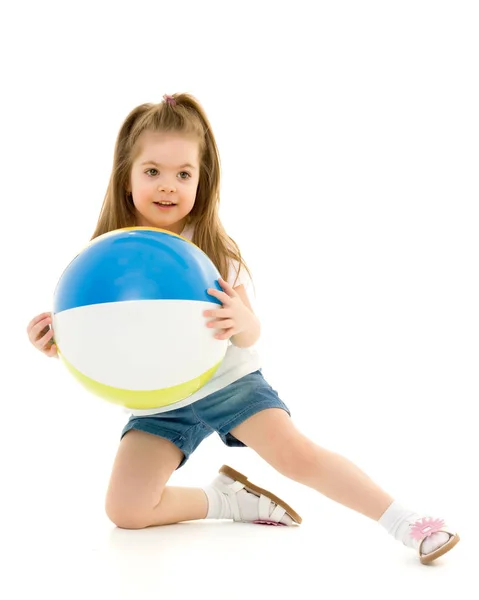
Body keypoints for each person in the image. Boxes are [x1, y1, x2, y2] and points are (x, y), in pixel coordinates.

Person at [26, 93, 459, 565]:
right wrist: (58, 341)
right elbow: (108, 340)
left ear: (201, 180)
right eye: (152, 171)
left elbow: (249, 336)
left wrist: (245, 323)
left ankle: (405, 521)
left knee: (299, 458)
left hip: (228, 384)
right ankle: (227, 499)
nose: (168, 186)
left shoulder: (211, 250)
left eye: (183, 174)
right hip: (162, 400)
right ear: (126, 177)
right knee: (126, 510)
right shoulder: (104, 258)